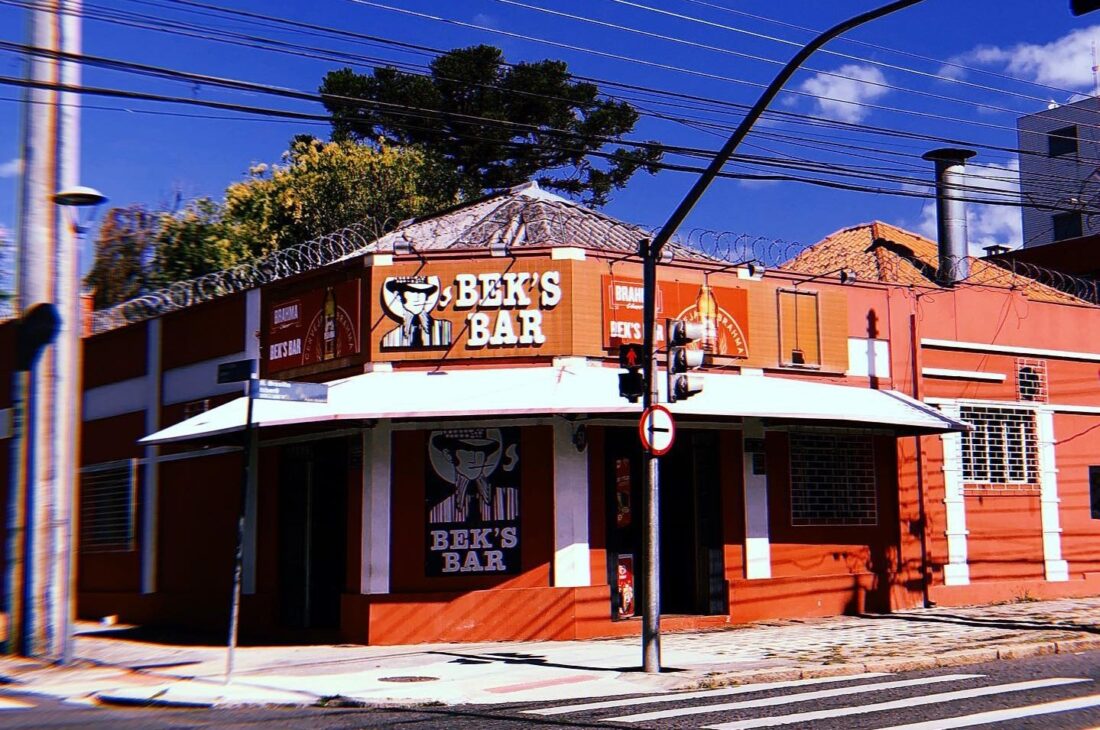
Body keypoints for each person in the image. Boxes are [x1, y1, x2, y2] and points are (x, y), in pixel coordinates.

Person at [381, 276, 452, 348]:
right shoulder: (390, 338)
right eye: (412, 291)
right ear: (398, 296)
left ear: (426, 297)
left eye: (422, 292)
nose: (418, 298)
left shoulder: (444, 328)